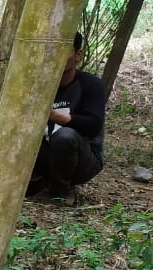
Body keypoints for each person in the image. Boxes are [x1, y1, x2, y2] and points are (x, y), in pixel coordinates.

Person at [27, 31, 106, 202]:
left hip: (83, 160)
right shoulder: (37, 84)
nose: (56, 56)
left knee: (65, 136)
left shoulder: (91, 85)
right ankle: (37, 182)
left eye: (63, 50)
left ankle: (59, 192)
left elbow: (93, 126)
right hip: (45, 155)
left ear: (78, 55)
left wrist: (58, 117)